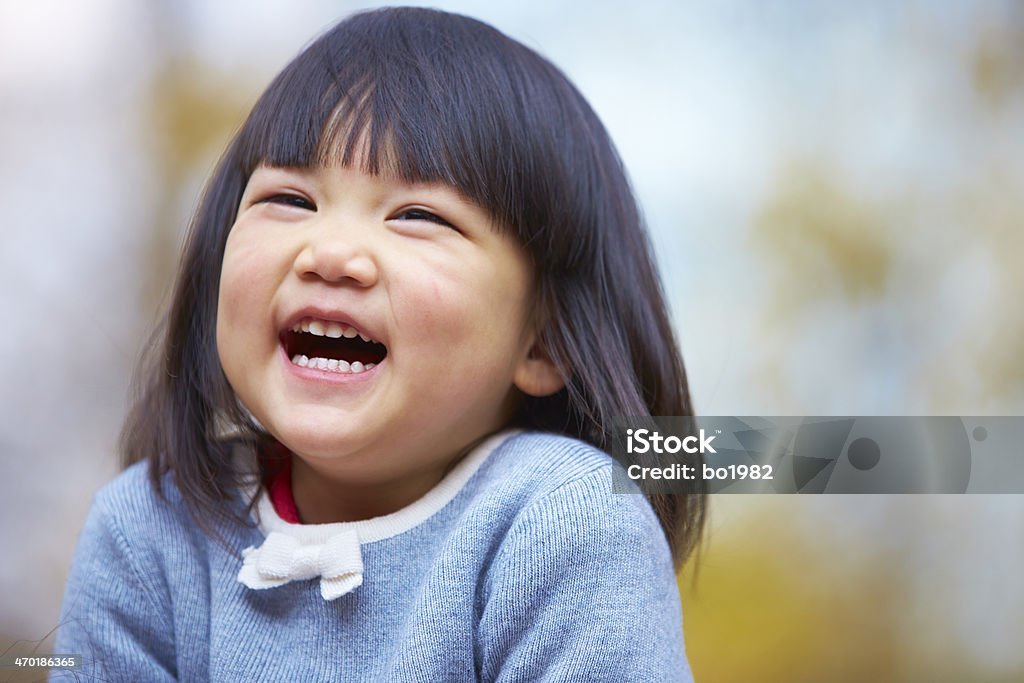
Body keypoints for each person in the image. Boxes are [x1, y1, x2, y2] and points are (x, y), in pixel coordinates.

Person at [53, 7, 705, 681]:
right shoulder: (148, 528)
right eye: (290, 199)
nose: (330, 252)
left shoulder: (565, 522)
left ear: (545, 342)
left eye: (418, 215)